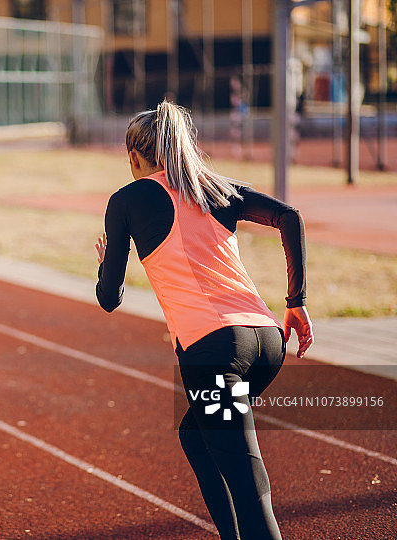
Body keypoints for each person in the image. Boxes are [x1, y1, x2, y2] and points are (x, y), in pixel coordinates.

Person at [95, 100, 313, 540]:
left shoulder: (127, 200)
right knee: (197, 435)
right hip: (267, 343)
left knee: (251, 491)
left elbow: (109, 297)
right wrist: (296, 301)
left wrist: (106, 263)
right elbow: (289, 217)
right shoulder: (213, 187)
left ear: (135, 157)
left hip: (215, 354)